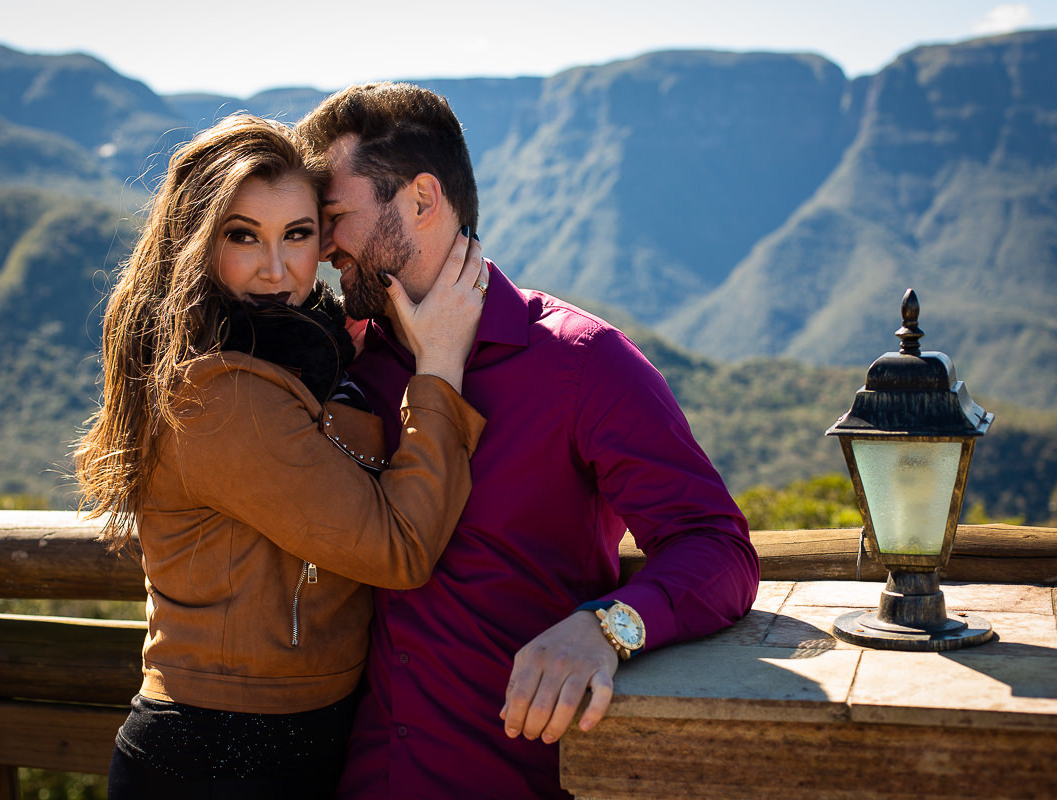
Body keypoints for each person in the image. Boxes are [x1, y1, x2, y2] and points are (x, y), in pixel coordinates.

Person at [296, 84, 760, 799]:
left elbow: (717, 545)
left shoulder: (583, 363)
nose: (324, 248)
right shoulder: (347, 363)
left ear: (422, 199)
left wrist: (607, 627)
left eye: (334, 218)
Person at [73, 114, 488, 799]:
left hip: (286, 743)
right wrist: (439, 365)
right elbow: (400, 548)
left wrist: (343, 358)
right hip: (218, 760)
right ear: (198, 245)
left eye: (297, 234)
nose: (276, 268)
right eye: (243, 236)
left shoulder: (289, 355)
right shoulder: (223, 395)